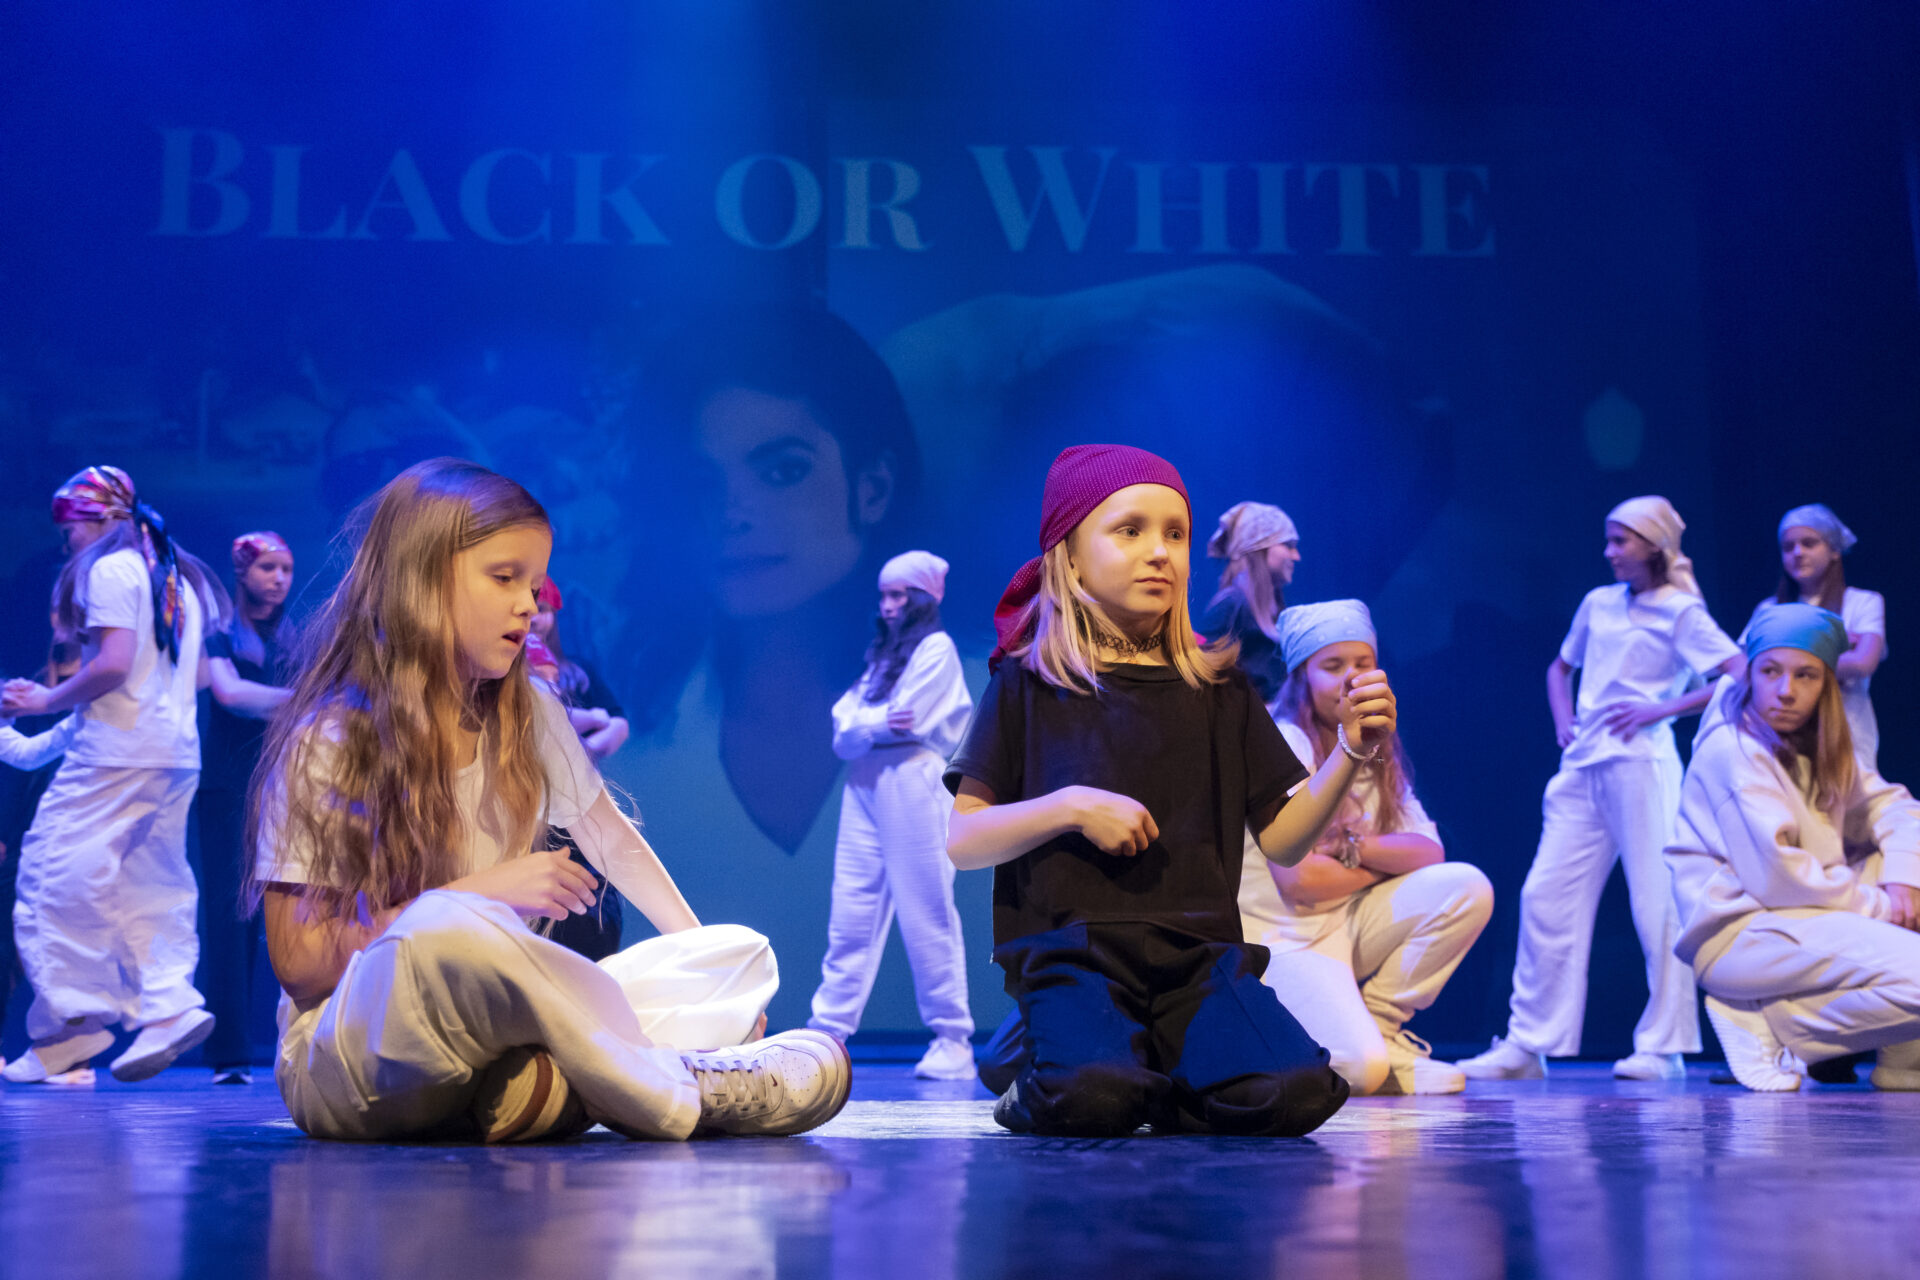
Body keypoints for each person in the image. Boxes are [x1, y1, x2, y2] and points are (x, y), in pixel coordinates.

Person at [248, 457, 849, 1142]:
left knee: (741, 952)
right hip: (353, 1056)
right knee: (449, 931)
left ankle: (542, 1088)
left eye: (533, 586)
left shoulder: (529, 711)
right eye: (504, 578)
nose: (529, 606)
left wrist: (704, 959)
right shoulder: (331, 740)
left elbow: (612, 839)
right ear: (422, 580)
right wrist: (482, 894)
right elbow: (301, 965)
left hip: (501, 1034)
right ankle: (681, 1088)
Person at [944, 443, 1395, 1138]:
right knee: (1094, 1098)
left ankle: (1137, 1071)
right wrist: (1072, 806)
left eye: (1175, 534)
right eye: (1130, 531)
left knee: (1295, 1091)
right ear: (1071, 556)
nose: (1159, 551)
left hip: (1198, 958)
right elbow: (965, 838)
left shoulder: (1218, 687)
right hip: (1076, 955)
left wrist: (1351, 752)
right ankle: (1049, 1060)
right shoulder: (1027, 684)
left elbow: (1282, 838)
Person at [1459, 497, 1742, 1082]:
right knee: (1544, 897)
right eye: (1609, 539)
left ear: (1654, 545)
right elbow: (1560, 667)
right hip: (1584, 765)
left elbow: (1736, 675)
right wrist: (1563, 720)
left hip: (1642, 764)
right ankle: (1528, 1043)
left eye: (1622, 540)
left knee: (1656, 903)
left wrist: (1660, 709)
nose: (1610, 551)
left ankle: (1664, 1047)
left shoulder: (1681, 610)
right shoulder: (1599, 603)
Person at [1, 466, 230, 1085]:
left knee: (51, 875)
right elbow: (196, 676)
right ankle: (168, 1007)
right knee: (148, 887)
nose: (67, 544)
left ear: (100, 519)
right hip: (173, 751)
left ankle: (75, 1019)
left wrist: (46, 700)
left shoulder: (110, 569)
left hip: (116, 751)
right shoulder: (179, 578)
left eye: (69, 531)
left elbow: (112, 664)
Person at [1239, 601, 1493, 1095]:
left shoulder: (1376, 743)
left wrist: (1351, 848)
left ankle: (1382, 1028)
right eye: (1333, 666)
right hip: (1285, 938)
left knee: (1466, 887)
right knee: (1359, 1069)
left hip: (1347, 919)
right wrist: (1384, 863)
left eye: (1363, 663)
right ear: (1302, 676)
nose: (1352, 678)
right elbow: (1301, 882)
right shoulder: (1286, 738)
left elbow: (1429, 850)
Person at [1667, 603, 1920, 1092]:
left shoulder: (1820, 747)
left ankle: (1905, 1060)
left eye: (1805, 675)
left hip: (1798, 919)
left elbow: (1896, 807)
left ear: (1826, 685)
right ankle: (1775, 1025)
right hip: (1742, 934)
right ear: (1750, 675)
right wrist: (1887, 907)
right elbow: (1781, 878)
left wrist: (1905, 881)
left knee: (1903, 859)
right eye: (1770, 672)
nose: (1786, 691)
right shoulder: (1734, 750)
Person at [809, 551, 975, 1079]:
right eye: (884, 595)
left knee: (926, 906)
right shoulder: (883, 659)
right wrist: (876, 721)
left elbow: (913, 719)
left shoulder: (936, 649)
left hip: (912, 777)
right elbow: (843, 732)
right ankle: (827, 1031)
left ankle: (953, 1038)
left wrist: (865, 722)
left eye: (898, 595)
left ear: (921, 598)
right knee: (851, 905)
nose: (887, 606)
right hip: (865, 780)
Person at [198, 531, 299, 1084]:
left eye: (286, 569)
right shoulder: (218, 635)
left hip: (287, 784)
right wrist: (305, 701)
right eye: (267, 568)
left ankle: (298, 1041)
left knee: (294, 904)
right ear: (242, 572)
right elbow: (231, 694)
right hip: (230, 786)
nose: (279, 578)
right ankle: (231, 1052)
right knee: (230, 913)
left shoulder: (298, 641)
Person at [528, 577, 628, 962]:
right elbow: (547, 718)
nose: (532, 617)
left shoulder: (576, 670)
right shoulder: (506, 679)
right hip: (534, 812)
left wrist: (589, 744)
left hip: (577, 801)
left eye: (541, 609)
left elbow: (616, 720)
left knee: (591, 900)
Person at [1745, 505, 1885, 772]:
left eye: (1809, 543)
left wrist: (1781, 655)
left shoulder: (1863, 602)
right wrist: (1835, 646)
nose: (1798, 553)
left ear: (1834, 550)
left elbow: (1863, 663)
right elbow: (1747, 666)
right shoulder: (1769, 609)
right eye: (1788, 547)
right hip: (1781, 734)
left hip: (1846, 729)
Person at [1197, 501, 1301, 703]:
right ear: (1258, 548)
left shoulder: (1276, 609)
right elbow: (1203, 673)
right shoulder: (1231, 606)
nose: (1296, 556)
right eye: (1288, 546)